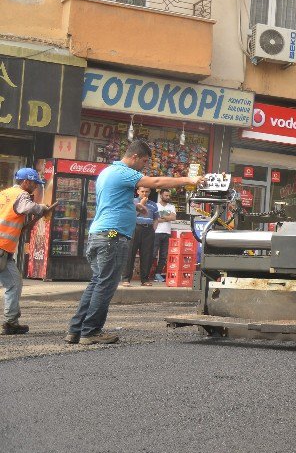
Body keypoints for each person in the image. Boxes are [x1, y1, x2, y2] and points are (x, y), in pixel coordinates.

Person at [66, 140, 203, 346]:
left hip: (99, 234)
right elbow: (155, 183)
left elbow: (112, 200)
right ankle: (91, 331)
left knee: (97, 282)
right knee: (105, 285)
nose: (144, 167)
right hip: (112, 236)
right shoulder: (124, 172)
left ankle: (76, 330)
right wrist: (188, 179)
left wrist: (133, 207)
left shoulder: (107, 172)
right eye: (144, 162)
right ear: (135, 157)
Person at [0, 169, 59, 335]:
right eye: (34, 184)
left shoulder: (5, 194)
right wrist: (42, 207)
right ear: (26, 181)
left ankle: (11, 322)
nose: (35, 188)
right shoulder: (21, 195)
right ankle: (11, 322)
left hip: (5, 251)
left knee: (14, 282)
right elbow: (27, 208)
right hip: (2, 247)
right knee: (13, 283)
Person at [122, 185, 158, 287]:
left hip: (148, 230)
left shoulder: (153, 205)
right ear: (138, 191)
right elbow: (130, 215)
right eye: (142, 191)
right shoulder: (132, 202)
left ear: (150, 192)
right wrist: (141, 205)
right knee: (130, 254)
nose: (144, 193)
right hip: (134, 228)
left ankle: (145, 279)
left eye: (147, 191)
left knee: (147, 255)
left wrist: (153, 230)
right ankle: (126, 279)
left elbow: (156, 218)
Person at [151, 189, 177, 282]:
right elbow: (156, 219)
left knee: (163, 255)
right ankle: (147, 274)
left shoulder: (172, 206)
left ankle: (157, 274)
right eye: (166, 195)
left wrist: (163, 217)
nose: (168, 197)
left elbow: (173, 217)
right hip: (157, 232)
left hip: (167, 233)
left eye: (169, 196)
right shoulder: (155, 206)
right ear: (161, 195)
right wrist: (167, 217)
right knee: (153, 254)